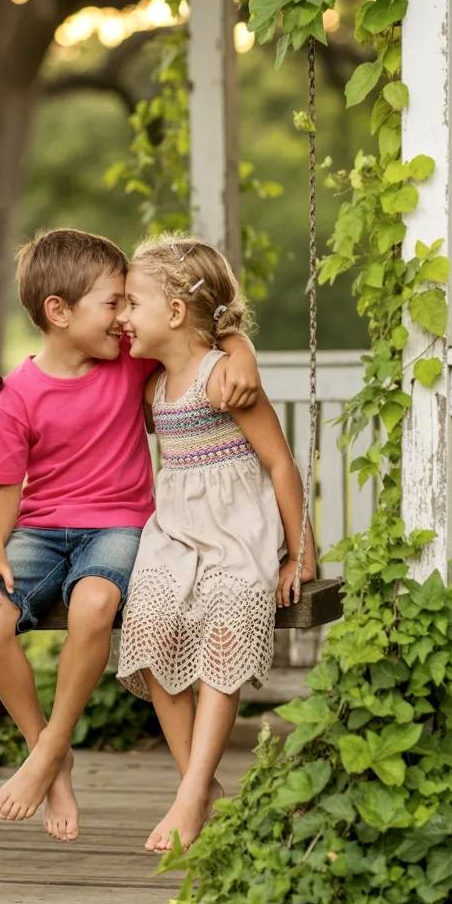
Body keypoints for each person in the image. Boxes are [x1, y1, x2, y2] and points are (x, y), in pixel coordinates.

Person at [0, 228, 261, 842]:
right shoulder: (16, 396)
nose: (124, 316)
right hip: (41, 531)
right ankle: (51, 755)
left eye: (128, 303)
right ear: (59, 312)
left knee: (94, 604)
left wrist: (242, 353)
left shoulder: (128, 358)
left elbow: (202, 328)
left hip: (117, 525)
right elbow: (7, 488)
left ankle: (49, 749)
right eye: (112, 303)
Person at [116, 234, 317, 853]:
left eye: (133, 304)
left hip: (235, 533)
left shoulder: (224, 379)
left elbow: (280, 464)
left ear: (176, 312)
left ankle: (189, 795)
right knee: (148, 627)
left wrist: (300, 553)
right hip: (175, 535)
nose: (123, 318)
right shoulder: (151, 386)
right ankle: (197, 788)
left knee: (226, 627)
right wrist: (237, 339)